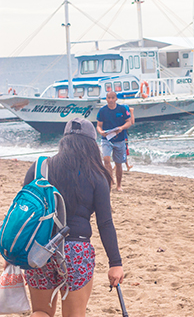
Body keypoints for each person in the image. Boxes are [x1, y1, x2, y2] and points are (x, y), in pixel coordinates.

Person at [12, 118, 123, 317]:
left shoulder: (40, 168)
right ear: (92, 144)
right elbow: (105, 223)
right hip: (75, 251)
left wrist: (13, 253)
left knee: (40, 312)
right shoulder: (97, 175)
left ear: (64, 141)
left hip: (38, 250)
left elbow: (22, 214)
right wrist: (115, 263)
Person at [96, 92, 132, 192]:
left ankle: (119, 185)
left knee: (119, 163)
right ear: (106, 99)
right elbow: (99, 125)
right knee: (106, 160)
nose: (111, 100)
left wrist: (121, 128)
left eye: (112, 98)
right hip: (107, 139)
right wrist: (101, 132)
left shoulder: (122, 109)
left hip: (120, 139)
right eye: (109, 98)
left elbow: (129, 122)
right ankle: (109, 182)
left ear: (116, 99)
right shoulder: (102, 110)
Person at [124, 107, 135, 172]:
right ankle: (127, 166)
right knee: (123, 151)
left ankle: (127, 166)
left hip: (122, 136)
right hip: (123, 136)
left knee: (122, 151)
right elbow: (132, 122)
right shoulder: (125, 118)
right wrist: (132, 113)